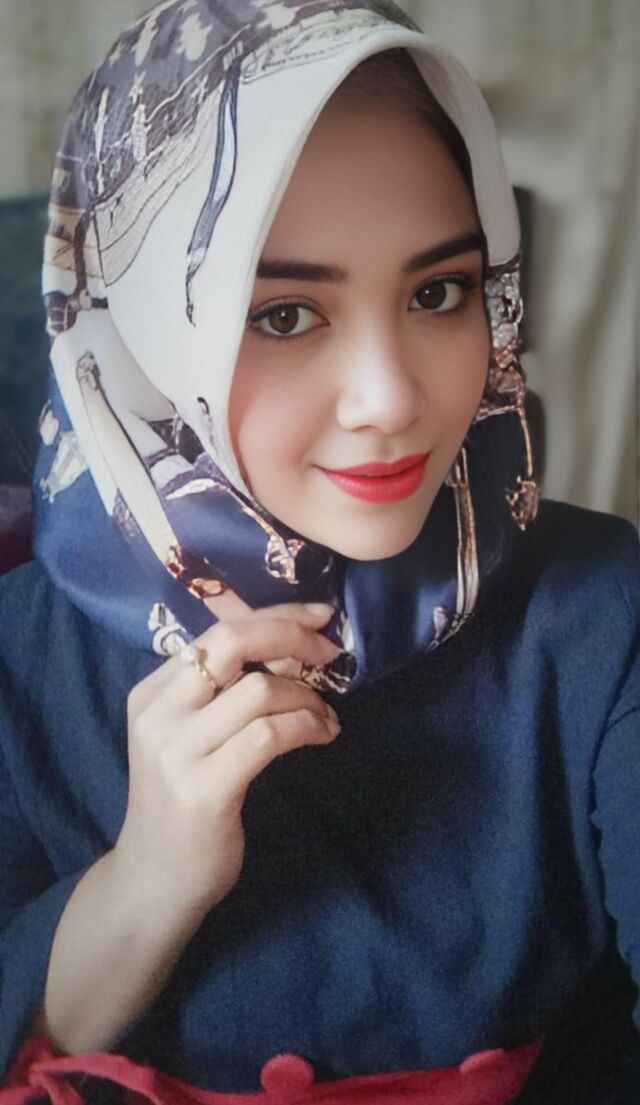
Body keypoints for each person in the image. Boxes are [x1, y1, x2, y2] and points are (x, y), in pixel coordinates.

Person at [1, 1, 639, 1102]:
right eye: (285, 315)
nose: (391, 398)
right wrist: (148, 877)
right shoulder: (21, 657)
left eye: (438, 292)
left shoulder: (598, 615)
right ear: (140, 330)